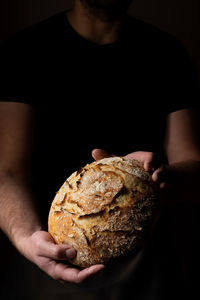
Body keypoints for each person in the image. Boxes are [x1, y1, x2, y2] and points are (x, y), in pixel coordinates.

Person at [0, 0, 199, 299]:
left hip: (144, 269)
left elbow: (193, 163)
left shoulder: (167, 53)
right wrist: (27, 237)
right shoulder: (25, 50)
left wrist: (160, 177)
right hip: (46, 251)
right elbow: (7, 170)